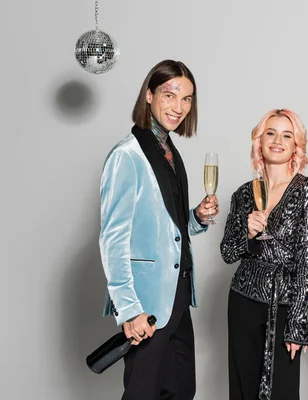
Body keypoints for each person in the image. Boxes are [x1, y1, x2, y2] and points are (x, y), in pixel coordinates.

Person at [98, 59, 219, 399]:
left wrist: (195, 217)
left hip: (177, 300)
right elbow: (113, 239)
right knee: (143, 392)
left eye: (187, 99)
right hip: (146, 303)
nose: (178, 107)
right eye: (170, 95)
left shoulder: (168, 149)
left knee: (181, 390)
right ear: (149, 95)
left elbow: (167, 228)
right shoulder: (128, 155)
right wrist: (129, 309)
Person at [220, 109, 308, 400]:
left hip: (284, 303)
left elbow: (305, 263)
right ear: (259, 141)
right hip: (242, 299)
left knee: (282, 392)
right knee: (243, 388)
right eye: (271, 133)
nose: (278, 140)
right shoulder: (243, 193)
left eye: (286, 135)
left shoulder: (306, 192)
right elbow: (227, 252)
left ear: (295, 145)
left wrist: (297, 325)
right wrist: (247, 234)